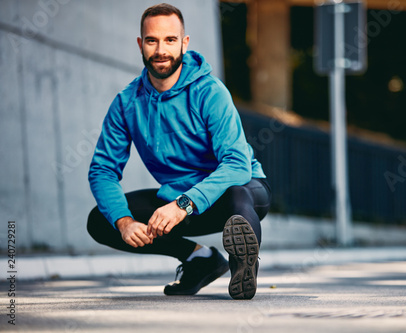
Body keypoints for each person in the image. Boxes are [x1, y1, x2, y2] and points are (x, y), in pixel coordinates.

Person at [87, 3, 271, 300]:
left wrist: (183, 204)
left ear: (184, 43)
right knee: (101, 220)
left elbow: (237, 164)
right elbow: (102, 170)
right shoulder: (126, 103)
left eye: (170, 40)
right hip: (178, 200)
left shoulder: (210, 92)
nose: (161, 49)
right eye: (152, 40)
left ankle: (243, 266)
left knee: (238, 193)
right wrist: (124, 221)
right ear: (140, 44)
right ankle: (200, 260)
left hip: (239, 193)